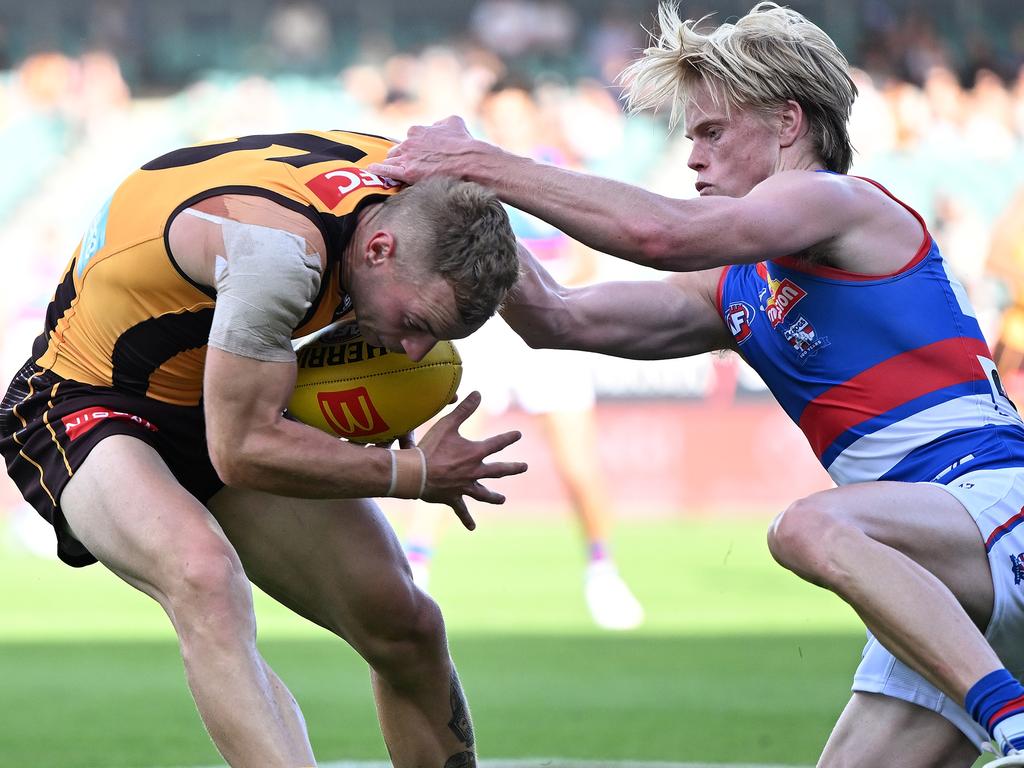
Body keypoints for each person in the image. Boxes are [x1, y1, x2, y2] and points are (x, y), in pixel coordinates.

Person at [370, 4, 1024, 765]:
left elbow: (663, 236)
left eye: (711, 132)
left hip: (991, 505)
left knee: (809, 527)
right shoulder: (739, 289)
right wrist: (460, 207)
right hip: (932, 574)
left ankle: (1013, 721)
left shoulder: (839, 200)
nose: (692, 158)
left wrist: (480, 160)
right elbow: (558, 318)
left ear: (786, 123)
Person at [0, 128, 526, 768]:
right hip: (82, 402)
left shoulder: (412, 188)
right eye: (415, 325)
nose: (414, 351)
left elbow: (573, 304)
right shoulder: (277, 255)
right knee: (206, 579)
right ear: (380, 247)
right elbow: (241, 451)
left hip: (215, 390)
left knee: (404, 624)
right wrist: (410, 472)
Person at [403, 79, 643, 630]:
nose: (508, 125)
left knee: (577, 462)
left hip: (551, 328)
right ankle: (415, 566)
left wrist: (535, 292)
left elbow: (586, 260)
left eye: (516, 115)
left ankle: (602, 573)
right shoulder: (464, 184)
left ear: (533, 117)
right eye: (497, 116)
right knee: (446, 441)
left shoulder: (556, 175)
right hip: (484, 330)